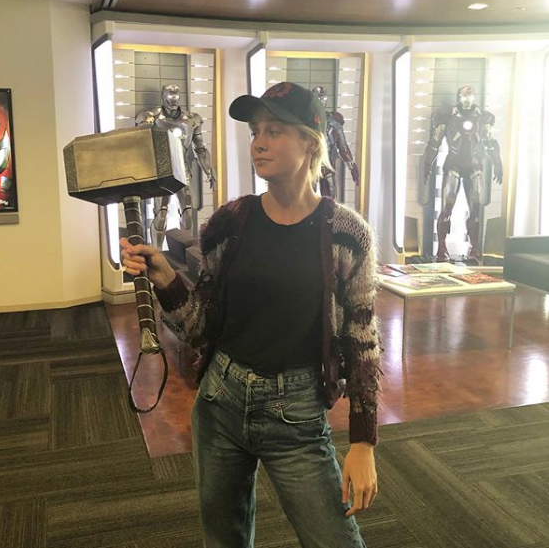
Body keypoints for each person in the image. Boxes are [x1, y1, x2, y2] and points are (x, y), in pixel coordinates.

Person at [121, 81, 382, 548]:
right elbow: (199, 325)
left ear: (311, 143)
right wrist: (166, 279)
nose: (258, 142)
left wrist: (363, 441)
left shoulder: (347, 234)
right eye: (255, 131)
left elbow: (362, 340)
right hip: (219, 402)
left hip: (296, 415)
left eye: (274, 131)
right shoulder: (230, 222)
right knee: (223, 539)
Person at [423, 85, 503, 261]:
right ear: (459, 97)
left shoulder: (483, 117)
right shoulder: (448, 116)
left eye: (470, 96)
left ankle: (474, 247)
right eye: (464, 96)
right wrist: (427, 163)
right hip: (454, 164)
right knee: (447, 206)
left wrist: (497, 163)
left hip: (474, 165)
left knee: (475, 208)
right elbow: (435, 141)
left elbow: (490, 142)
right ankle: (441, 246)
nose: (467, 99)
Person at [135, 84, 216, 247]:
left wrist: (209, 171)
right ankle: (157, 250)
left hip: (183, 170)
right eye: (169, 97)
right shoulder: (151, 117)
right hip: (161, 171)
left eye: (175, 97)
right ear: (163, 96)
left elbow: (200, 148)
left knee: (188, 215)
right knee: (161, 214)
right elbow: (141, 147)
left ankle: (186, 251)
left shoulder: (191, 119)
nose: (173, 102)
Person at [312, 86, 360, 200]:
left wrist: (351, 166)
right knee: (305, 200)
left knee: (330, 200)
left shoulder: (334, 123)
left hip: (328, 166)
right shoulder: (304, 121)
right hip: (309, 166)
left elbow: (343, 148)